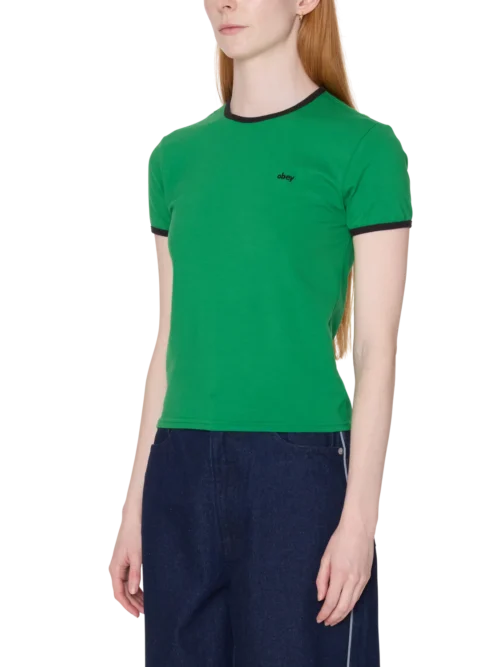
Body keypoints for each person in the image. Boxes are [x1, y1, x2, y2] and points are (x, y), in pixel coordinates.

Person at [109, 1, 413, 665]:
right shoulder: (175, 158)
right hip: (180, 469)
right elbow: (167, 343)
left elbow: (376, 348)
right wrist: (133, 508)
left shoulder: (362, 150)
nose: (225, 3)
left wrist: (359, 520)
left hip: (299, 471)